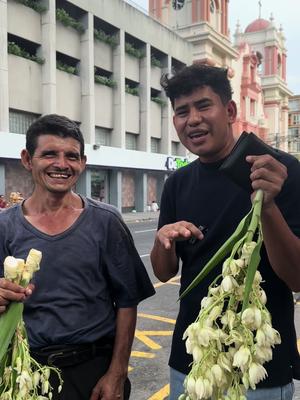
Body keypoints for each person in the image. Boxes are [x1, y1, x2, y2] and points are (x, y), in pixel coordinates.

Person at [150, 64, 300, 400]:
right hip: (193, 361)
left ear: (229, 110)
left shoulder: (279, 170)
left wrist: (269, 205)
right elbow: (164, 271)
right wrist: (164, 240)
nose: (193, 119)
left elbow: (297, 278)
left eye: (204, 106)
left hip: (260, 366)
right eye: (181, 111)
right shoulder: (178, 183)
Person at [0, 114, 155, 400]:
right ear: (27, 159)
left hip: (93, 371)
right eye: (49, 154)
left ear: (82, 163)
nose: (61, 164)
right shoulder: (5, 226)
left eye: (71, 156)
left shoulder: (106, 221)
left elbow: (127, 301)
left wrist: (117, 374)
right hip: (27, 371)